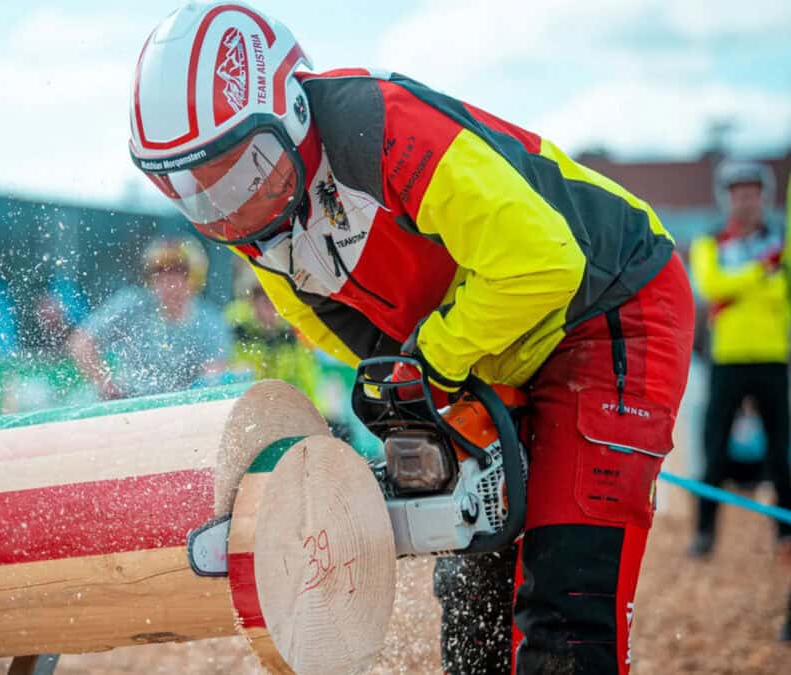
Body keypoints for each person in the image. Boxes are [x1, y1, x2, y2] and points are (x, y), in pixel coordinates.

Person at [126, 4, 693, 673]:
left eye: (245, 171)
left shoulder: (382, 126)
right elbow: (358, 342)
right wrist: (415, 385)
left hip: (607, 303)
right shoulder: (255, 231)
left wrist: (436, 361)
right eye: (194, 191)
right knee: (473, 591)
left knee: (568, 596)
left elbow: (546, 263)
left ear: (292, 114)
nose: (228, 210)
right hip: (493, 351)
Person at [688, 160, 791, 558]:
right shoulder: (710, 242)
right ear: (727, 198)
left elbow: (781, 293)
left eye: (752, 193)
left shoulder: (781, 240)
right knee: (713, 451)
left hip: (772, 358)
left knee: (781, 454)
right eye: (738, 194)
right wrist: (763, 271)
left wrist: (745, 282)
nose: (746, 202)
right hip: (727, 360)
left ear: (763, 197)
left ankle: (785, 534)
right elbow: (711, 285)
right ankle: (704, 534)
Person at [69, 238, 231, 399]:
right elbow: (81, 341)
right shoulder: (132, 304)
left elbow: (212, 377)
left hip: (179, 405)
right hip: (129, 400)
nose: (167, 279)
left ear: (194, 277)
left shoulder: (209, 321)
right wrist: (106, 384)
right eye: (159, 271)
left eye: (177, 271)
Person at [225, 263, 317, 396]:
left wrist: (318, 412)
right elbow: (224, 367)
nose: (268, 303)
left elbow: (308, 380)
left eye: (272, 295)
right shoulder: (236, 326)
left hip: (284, 403)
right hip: (247, 401)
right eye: (260, 295)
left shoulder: (292, 331)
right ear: (250, 300)